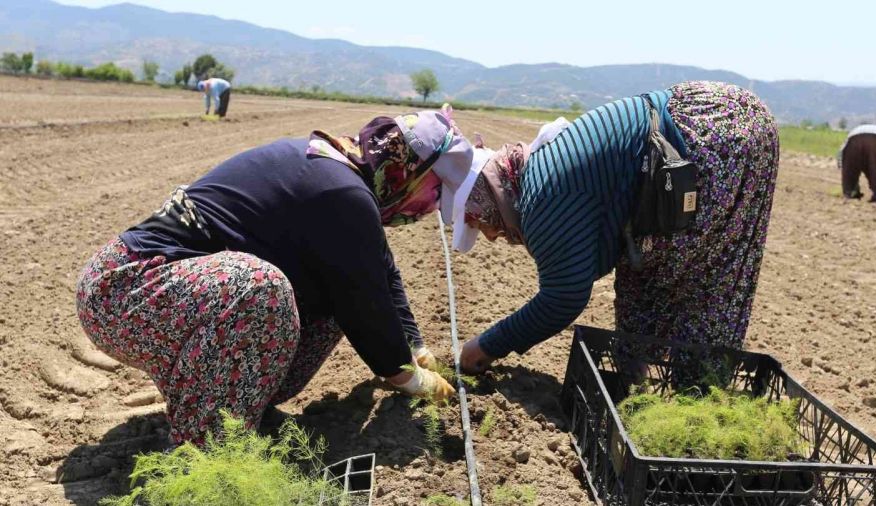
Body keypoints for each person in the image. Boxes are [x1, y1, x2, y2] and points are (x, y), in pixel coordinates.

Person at [75, 106, 474, 445]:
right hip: (125, 288)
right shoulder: (343, 193)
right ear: (409, 170)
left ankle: (233, 403)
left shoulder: (344, 178)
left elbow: (379, 273)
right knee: (261, 288)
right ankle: (205, 451)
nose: (427, 206)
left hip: (174, 295)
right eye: (434, 192)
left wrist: (415, 347)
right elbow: (365, 309)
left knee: (332, 288)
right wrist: (409, 378)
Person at [453, 81, 780, 375]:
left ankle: (695, 393)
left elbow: (563, 298)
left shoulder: (541, 200)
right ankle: (639, 381)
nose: (492, 236)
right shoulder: (540, 173)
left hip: (709, 141)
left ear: (489, 199)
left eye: (481, 224)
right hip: (720, 112)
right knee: (646, 274)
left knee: (700, 285)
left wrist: (485, 346)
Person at [837, 124, 876, 202]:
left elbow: (842, 152)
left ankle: (850, 192)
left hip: (854, 137)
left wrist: (843, 168)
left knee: (851, 167)